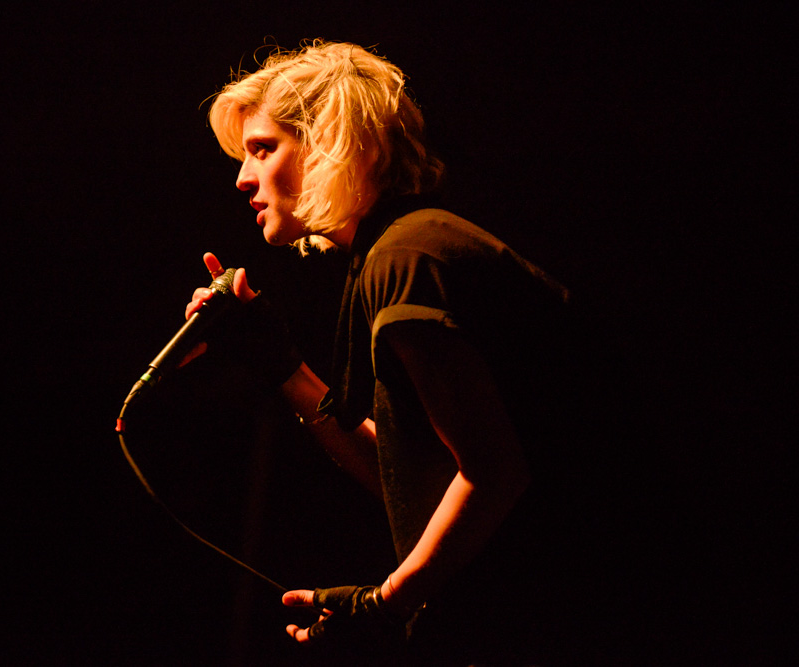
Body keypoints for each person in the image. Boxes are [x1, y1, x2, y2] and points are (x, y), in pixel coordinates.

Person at [185, 41, 607, 665]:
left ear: (333, 145)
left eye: (263, 149)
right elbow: (418, 483)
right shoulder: (392, 254)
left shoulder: (406, 259)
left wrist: (386, 604)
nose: (242, 177)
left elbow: (494, 472)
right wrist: (277, 364)